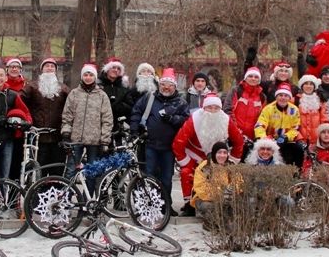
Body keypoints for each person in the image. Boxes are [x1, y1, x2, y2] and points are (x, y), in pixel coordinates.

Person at [173, 94, 245, 216]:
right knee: (186, 172)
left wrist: (232, 160)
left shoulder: (225, 120)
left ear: (220, 109)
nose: (212, 111)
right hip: (196, 154)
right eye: (209, 107)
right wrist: (187, 161)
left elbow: (239, 141)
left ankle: (220, 202)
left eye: (216, 108)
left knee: (226, 176)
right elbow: (178, 142)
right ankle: (189, 205)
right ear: (203, 108)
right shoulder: (194, 119)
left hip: (218, 156)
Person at [130, 68, 188, 216]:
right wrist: (134, 130)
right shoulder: (149, 98)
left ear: (174, 87)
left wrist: (172, 119)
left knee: (167, 179)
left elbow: (186, 121)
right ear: (159, 85)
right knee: (149, 176)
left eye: (169, 85)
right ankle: (150, 204)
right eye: (163, 84)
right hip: (150, 145)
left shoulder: (180, 102)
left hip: (169, 147)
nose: (166, 87)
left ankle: (166, 206)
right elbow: (136, 111)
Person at [61, 63, 114, 191]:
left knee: (92, 172)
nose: (88, 77)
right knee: (71, 171)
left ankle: (87, 202)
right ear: (82, 76)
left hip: (94, 141)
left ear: (95, 77)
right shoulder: (74, 94)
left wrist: (104, 140)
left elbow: (107, 119)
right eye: (86, 74)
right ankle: (66, 202)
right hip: (76, 139)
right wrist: (66, 133)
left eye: (91, 75)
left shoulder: (102, 95)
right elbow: (67, 115)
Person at [22, 57, 69, 176]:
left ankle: (56, 193)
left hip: (57, 136)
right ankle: (39, 193)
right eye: (46, 66)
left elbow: (72, 107)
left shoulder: (64, 89)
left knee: (57, 169)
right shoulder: (32, 87)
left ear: (56, 70)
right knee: (39, 170)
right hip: (39, 137)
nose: (49, 68)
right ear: (42, 69)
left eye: (52, 66)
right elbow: (20, 102)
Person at [254, 85, 303, 167]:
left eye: (286, 96)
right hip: (270, 139)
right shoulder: (268, 109)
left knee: (298, 149)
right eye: (280, 95)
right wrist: (264, 138)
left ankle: (297, 172)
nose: (283, 98)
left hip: (286, 140)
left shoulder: (294, 110)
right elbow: (260, 125)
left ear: (289, 97)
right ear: (276, 96)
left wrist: (286, 137)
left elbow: (296, 128)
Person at [193, 142, 238, 219]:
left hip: (227, 199)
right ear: (214, 153)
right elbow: (200, 187)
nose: (222, 155)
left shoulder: (231, 165)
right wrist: (220, 196)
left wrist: (231, 193)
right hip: (206, 199)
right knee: (210, 207)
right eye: (219, 152)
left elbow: (238, 182)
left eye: (225, 153)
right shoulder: (205, 166)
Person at [225, 66, 267, 142]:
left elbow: (263, 118)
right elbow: (228, 110)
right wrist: (235, 130)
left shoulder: (262, 97)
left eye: (256, 77)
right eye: (250, 76)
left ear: (259, 80)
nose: (253, 79)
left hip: (253, 138)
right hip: (234, 135)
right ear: (245, 78)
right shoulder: (236, 91)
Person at [98, 57, 134, 131]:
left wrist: (118, 105)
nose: (116, 70)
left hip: (118, 126)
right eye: (113, 67)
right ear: (107, 69)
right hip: (100, 124)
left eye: (118, 68)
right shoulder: (98, 85)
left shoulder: (124, 87)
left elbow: (130, 106)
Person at [296, 74, 328, 145]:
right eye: (306, 84)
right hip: (299, 139)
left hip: (316, 140)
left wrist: (323, 137)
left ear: (314, 87)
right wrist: (298, 138)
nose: (308, 86)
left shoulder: (320, 101)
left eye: (311, 84)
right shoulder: (295, 100)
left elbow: (324, 120)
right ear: (302, 86)